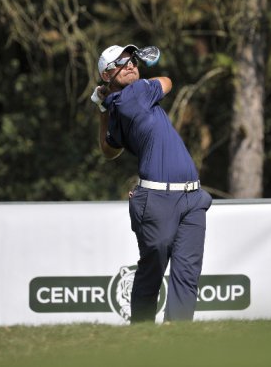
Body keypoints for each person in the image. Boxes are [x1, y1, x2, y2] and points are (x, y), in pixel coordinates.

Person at [90, 43, 213, 323]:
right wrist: (106, 99)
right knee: (152, 269)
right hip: (157, 200)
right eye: (121, 63)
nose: (132, 65)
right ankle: (142, 333)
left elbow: (109, 149)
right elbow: (168, 82)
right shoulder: (136, 94)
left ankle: (177, 339)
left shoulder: (118, 108)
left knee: (186, 272)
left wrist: (101, 107)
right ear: (107, 75)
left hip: (192, 198)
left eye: (132, 60)